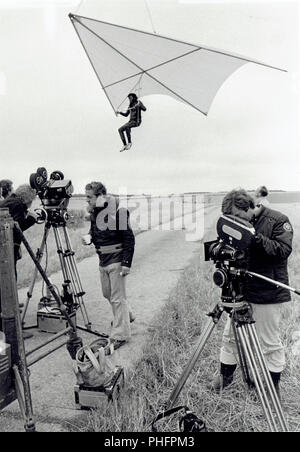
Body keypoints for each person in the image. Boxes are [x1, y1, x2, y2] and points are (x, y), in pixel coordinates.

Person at [211, 188, 293, 399]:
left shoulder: (278, 220)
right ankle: (225, 378)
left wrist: (253, 238)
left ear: (250, 207)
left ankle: (271, 388)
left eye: (238, 218)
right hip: (240, 291)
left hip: (268, 292)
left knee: (269, 343)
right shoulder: (235, 223)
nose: (235, 223)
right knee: (229, 337)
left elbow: (282, 251)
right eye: (230, 219)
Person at [83, 181, 135, 350]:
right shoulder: (95, 213)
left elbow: (129, 238)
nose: (87, 201)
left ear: (100, 196)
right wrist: (90, 237)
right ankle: (127, 316)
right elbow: (94, 230)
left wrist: (126, 263)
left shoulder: (118, 213)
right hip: (102, 261)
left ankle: (120, 335)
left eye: (89, 197)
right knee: (108, 294)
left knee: (117, 298)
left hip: (117, 260)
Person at [0, 184, 37, 339]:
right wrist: (32, 219)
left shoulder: (10, 201)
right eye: (31, 201)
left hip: (5, 249)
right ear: (27, 198)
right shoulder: (16, 204)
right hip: (6, 251)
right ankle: (13, 331)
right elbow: (17, 227)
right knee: (10, 284)